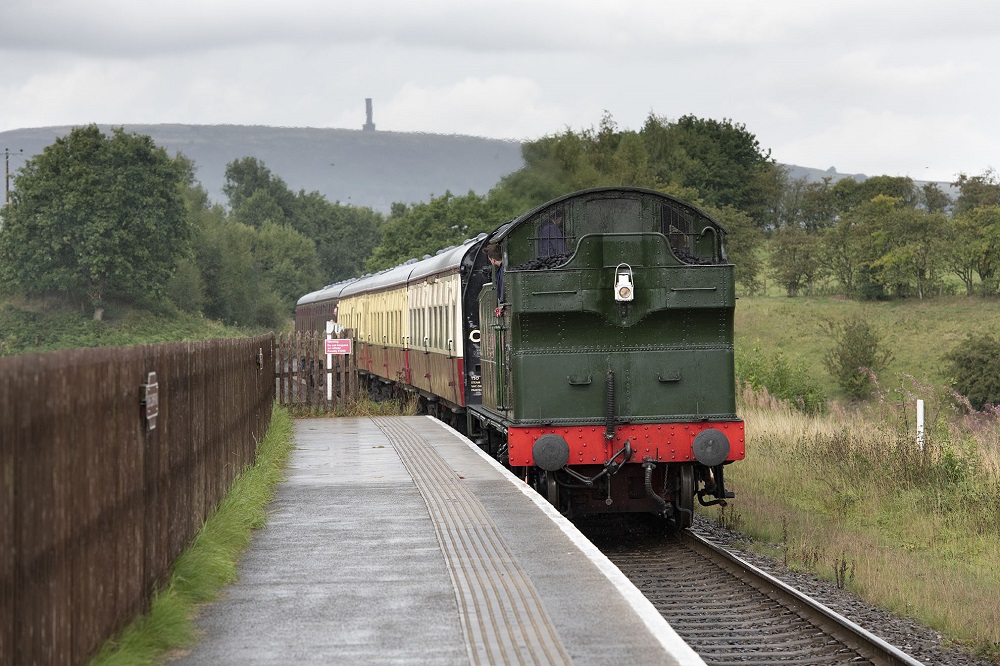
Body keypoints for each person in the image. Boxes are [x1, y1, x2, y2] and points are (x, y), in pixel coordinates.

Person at [484, 242, 505, 316]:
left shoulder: (503, 270)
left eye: (490, 261)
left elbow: (503, 285)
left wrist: (502, 303)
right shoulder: (502, 269)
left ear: (493, 260)